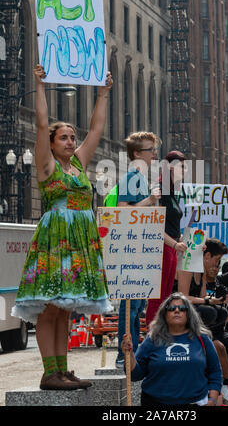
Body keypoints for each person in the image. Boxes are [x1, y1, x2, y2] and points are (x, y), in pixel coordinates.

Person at [11, 64, 113, 390]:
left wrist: (103, 94)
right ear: (52, 144)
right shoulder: (46, 165)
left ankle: (63, 371)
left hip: (79, 242)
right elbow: (42, 124)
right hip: (56, 240)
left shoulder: (80, 165)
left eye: (72, 137)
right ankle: (48, 373)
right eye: (64, 138)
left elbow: (96, 129)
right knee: (51, 308)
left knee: (66, 310)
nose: (70, 141)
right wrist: (39, 84)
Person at [177, 238, 228, 404]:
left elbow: (202, 297)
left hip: (213, 326)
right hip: (193, 321)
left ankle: (227, 382)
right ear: (206, 255)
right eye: (216, 261)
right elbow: (184, 298)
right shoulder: (186, 267)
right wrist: (210, 302)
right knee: (218, 342)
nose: (215, 266)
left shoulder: (204, 274)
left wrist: (213, 301)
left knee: (221, 313)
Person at [121, 292, 222, 406]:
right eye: (172, 308)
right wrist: (129, 355)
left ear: (189, 314)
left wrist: (212, 401)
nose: (177, 311)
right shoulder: (152, 339)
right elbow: (135, 375)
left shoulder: (202, 338)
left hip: (195, 402)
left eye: (182, 308)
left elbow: (215, 373)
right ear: (164, 314)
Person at [115, 131, 161, 368]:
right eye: (150, 150)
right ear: (136, 153)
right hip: (131, 248)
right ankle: (123, 354)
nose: (154, 154)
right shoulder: (132, 177)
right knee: (131, 305)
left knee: (136, 306)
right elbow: (123, 211)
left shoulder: (140, 178)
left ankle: (130, 354)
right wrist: (150, 201)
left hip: (140, 246)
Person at [145, 150, 188, 327]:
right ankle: (152, 335)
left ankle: (160, 333)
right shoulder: (159, 189)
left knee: (165, 296)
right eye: (182, 167)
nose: (185, 171)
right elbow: (153, 224)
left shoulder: (172, 191)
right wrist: (174, 244)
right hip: (160, 247)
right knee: (157, 296)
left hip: (170, 248)